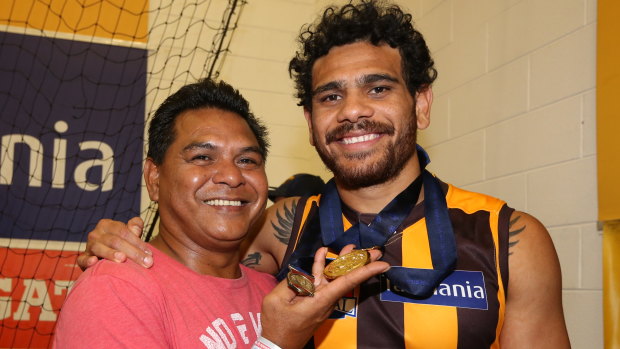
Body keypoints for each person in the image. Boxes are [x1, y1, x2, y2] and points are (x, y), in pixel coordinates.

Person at [78, 1, 571, 348]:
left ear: (420, 104)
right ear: (311, 123)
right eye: (330, 97)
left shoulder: (511, 240)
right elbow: (193, 248)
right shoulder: (280, 226)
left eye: (377, 89)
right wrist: (113, 246)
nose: (352, 111)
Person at [54, 78, 388, 349]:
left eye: (247, 161)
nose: (231, 175)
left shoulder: (271, 290)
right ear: (154, 178)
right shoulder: (115, 290)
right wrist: (274, 345)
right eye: (202, 157)